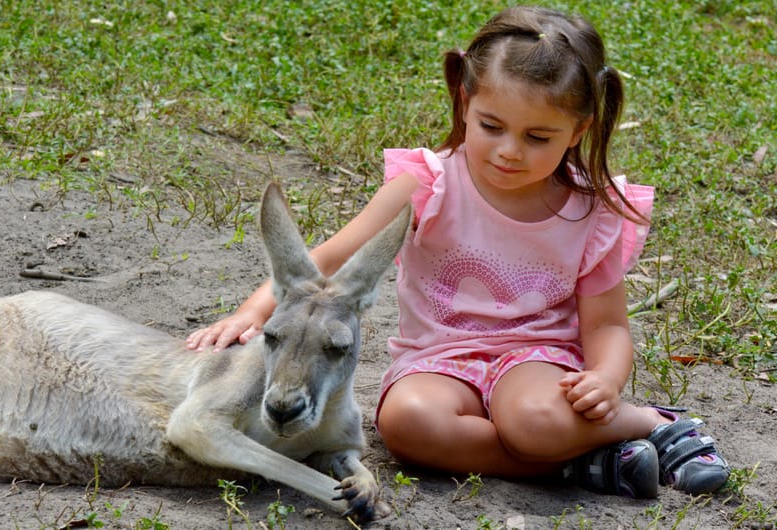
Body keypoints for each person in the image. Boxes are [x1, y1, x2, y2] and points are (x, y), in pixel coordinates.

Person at [186, 6, 729, 498]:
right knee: (406, 425)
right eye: (491, 126)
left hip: (536, 362)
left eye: (538, 137)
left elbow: (607, 326)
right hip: (437, 363)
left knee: (532, 421)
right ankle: (586, 464)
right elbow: (327, 259)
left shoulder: (589, 210)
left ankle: (650, 424)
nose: (509, 151)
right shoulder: (428, 184)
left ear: (578, 129)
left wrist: (606, 383)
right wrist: (252, 312)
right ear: (466, 102)